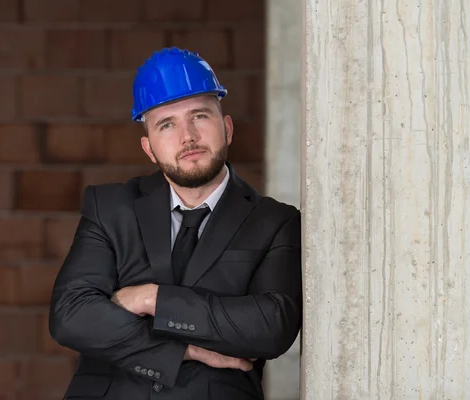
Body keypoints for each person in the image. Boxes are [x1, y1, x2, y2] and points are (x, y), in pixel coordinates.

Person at [49, 47, 302, 400]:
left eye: (199, 116)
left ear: (227, 128)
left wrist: (152, 299)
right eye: (166, 124)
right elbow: (70, 315)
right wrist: (183, 350)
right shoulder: (110, 207)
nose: (187, 137)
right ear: (149, 148)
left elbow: (273, 326)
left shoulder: (275, 221)